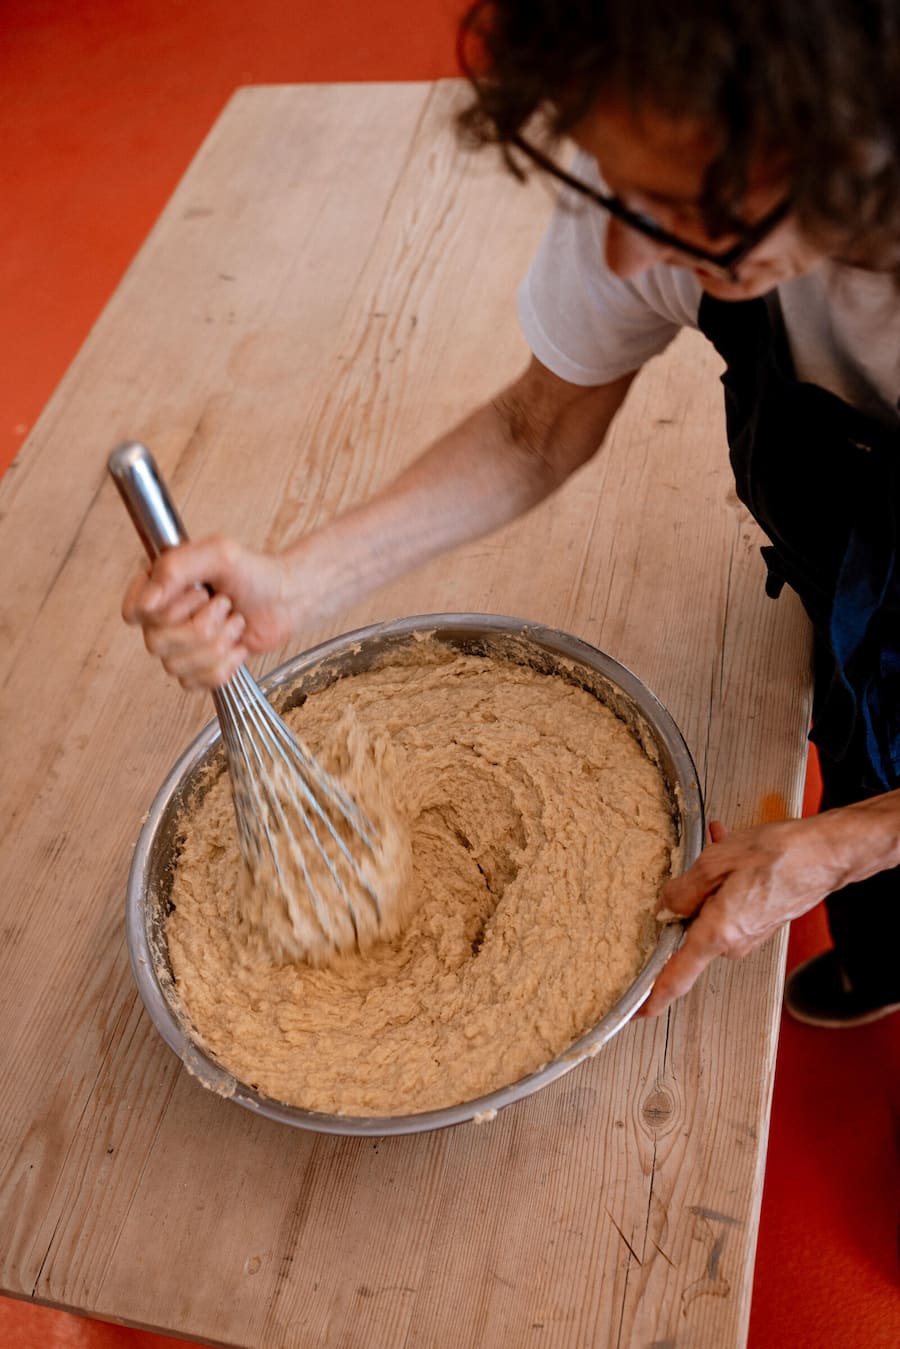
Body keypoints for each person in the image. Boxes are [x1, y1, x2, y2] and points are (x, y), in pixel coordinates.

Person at [122, 0, 900, 1027]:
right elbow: (535, 428)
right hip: (844, 546)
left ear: (845, 151)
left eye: (667, 206)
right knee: (859, 731)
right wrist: (297, 581)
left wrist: (844, 841)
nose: (626, 257)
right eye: (608, 188)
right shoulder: (667, 153)